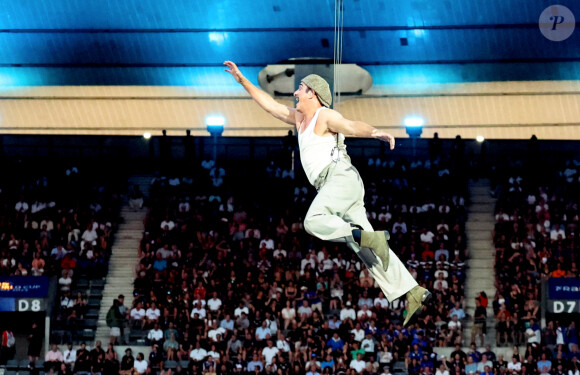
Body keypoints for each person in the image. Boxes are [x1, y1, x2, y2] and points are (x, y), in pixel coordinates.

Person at [224, 60, 430, 326]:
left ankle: (364, 236)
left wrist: (375, 132)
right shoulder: (300, 119)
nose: (296, 92)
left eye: (300, 88)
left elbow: (353, 126)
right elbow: (270, 105)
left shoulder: (324, 115)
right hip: (339, 185)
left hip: (339, 178)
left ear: (314, 94)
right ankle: (413, 291)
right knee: (365, 249)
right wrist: (242, 80)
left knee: (313, 220)